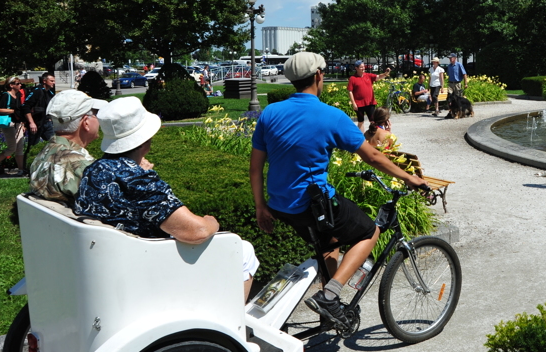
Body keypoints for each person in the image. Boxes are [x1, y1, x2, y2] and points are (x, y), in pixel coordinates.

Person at [250, 52, 425, 328]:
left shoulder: (270, 113)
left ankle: (327, 311)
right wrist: (410, 178)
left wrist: (261, 206)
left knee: (329, 243)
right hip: (313, 204)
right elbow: (374, 157)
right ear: (319, 76)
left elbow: (256, 167)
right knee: (370, 231)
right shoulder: (331, 116)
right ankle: (331, 296)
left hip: (281, 206)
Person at [77, 98, 259, 301]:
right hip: (146, 266)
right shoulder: (138, 180)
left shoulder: (93, 170)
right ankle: (233, 320)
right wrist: (211, 222)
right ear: (145, 141)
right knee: (243, 251)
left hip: (110, 263)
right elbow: (197, 232)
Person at [27, 90, 107, 202]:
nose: (99, 119)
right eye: (96, 114)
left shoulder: (44, 154)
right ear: (86, 122)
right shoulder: (83, 167)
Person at [0, 77, 28, 177]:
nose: (20, 85)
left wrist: (23, 123)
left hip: (18, 123)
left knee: (20, 147)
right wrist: (13, 111)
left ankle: (21, 170)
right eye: (18, 83)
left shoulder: (18, 95)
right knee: (12, 148)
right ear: (11, 85)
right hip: (8, 124)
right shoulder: (6, 95)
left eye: (20, 83)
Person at [347, 60, 390, 131]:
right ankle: (361, 139)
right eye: (361, 67)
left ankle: (374, 136)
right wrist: (353, 103)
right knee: (361, 121)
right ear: (356, 68)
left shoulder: (368, 75)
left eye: (363, 67)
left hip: (370, 102)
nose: (363, 68)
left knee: (373, 121)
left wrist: (386, 73)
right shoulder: (352, 78)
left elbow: (378, 77)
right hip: (359, 103)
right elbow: (350, 91)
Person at [23, 73, 57, 153]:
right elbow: (25, 107)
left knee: (54, 145)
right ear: (44, 81)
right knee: (32, 147)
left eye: (54, 81)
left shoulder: (50, 93)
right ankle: (28, 163)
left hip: (47, 123)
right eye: (51, 81)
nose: (53, 83)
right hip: (36, 124)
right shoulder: (36, 91)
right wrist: (31, 123)